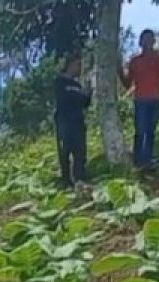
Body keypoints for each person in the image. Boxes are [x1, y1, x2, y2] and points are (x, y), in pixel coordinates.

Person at [123, 30, 159, 170]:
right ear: (141, 42)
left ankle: (147, 160)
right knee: (140, 130)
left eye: (150, 39)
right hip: (141, 99)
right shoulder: (135, 61)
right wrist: (119, 71)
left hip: (155, 99)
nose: (148, 42)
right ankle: (138, 159)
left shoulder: (158, 57)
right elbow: (127, 83)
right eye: (145, 39)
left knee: (150, 131)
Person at [54, 54, 92, 188]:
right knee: (65, 153)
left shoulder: (77, 85)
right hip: (64, 122)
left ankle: (80, 179)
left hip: (78, 122)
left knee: (80, 151)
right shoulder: (59, 82)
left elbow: (85, 103)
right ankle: (66, 181)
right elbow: (62, 100)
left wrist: (88, 92)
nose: (80, 69)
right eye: (78, 65)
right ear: (70, 65)